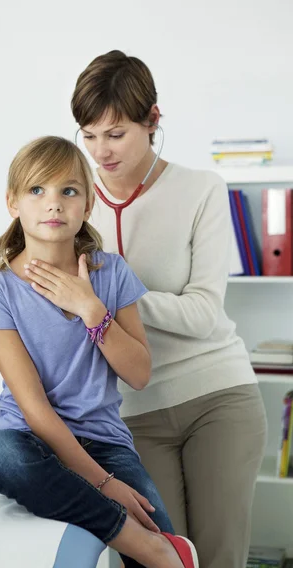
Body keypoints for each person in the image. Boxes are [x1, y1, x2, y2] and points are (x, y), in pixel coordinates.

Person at [70, 51, 268, 568]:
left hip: (218, 396)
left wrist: (109, 297)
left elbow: (204, 313)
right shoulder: (71, 202)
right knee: (163, 560)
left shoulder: (202, 189)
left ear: (153, 120)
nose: (100, 151)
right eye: (88, 135)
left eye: (115, 134)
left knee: (219, 559)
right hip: (132, 413)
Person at [0, 136, 199, 568]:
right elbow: (34, 410)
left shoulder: (111, 274)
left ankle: (150, 545)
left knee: (167, 550)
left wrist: (91, 309)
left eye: (68, 191)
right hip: (30, 440)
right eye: (37, 190)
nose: (53, 203)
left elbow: (140, 374)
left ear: (88, 205)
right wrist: (104, 485)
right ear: (12, 203)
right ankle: (141, 542)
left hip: (105, 443)